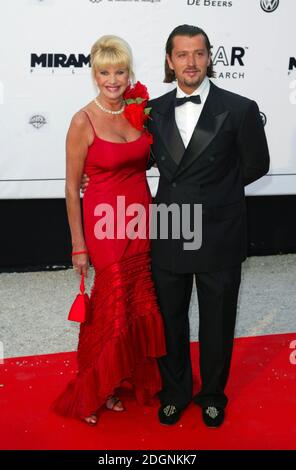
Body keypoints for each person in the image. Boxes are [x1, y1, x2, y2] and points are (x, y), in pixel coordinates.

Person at [81, 25, 270, 428]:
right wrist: (91, 175)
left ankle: (213, 394)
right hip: (169, 226)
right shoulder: (152, 111)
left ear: (209, 58)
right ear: (170, 60)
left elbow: (257, 165)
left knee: (218, 320)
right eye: (182, 54)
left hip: (219, 229)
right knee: (170, 317)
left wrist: (214, 196)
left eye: (199, 54)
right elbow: (133, 157)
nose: (191, 62)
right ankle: (176, 391)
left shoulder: (239, 108)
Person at [52, 35, 166, 426]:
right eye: (105, 72)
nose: (113, 80)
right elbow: (71, 187)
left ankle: (125, 378)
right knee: (112, 307)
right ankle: (94, 387)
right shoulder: (82, 120)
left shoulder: (138, 111)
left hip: (140, 218)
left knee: (138, 302)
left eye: (119, 71)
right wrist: (77, 245)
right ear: (94, 75)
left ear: (128, 72)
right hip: (105, 226)